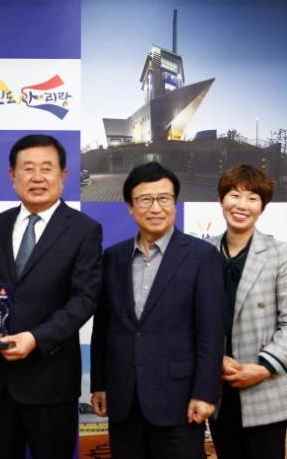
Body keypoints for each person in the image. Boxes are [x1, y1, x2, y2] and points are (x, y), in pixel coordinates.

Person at [0, 134, 103, 459]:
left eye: (47, 168)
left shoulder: (84, 229)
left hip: (51, 379)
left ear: (63, 175)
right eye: (27, 168)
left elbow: (84, 299)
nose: (37, 177)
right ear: (12, 175)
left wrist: (35, 338)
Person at [90, 162, 225, 459]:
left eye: (164, 198)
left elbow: (211, 334)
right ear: (130, 207)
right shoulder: (114, 257)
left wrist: (205, 393)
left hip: (179, 401)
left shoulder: (202, 256)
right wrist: (99, 383)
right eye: (145, 199)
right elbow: (104, 327)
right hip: (123, 400)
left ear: (174, 203)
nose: (155, 208)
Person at [207, 165, 287, 459]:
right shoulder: (202, 253)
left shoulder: (280, 254)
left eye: (252, 198)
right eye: (234, 195)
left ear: (262, 208)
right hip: (216, 389)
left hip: (266, 389)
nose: (241, 205)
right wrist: (214, 360)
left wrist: (263, 367)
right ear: (221, 200)